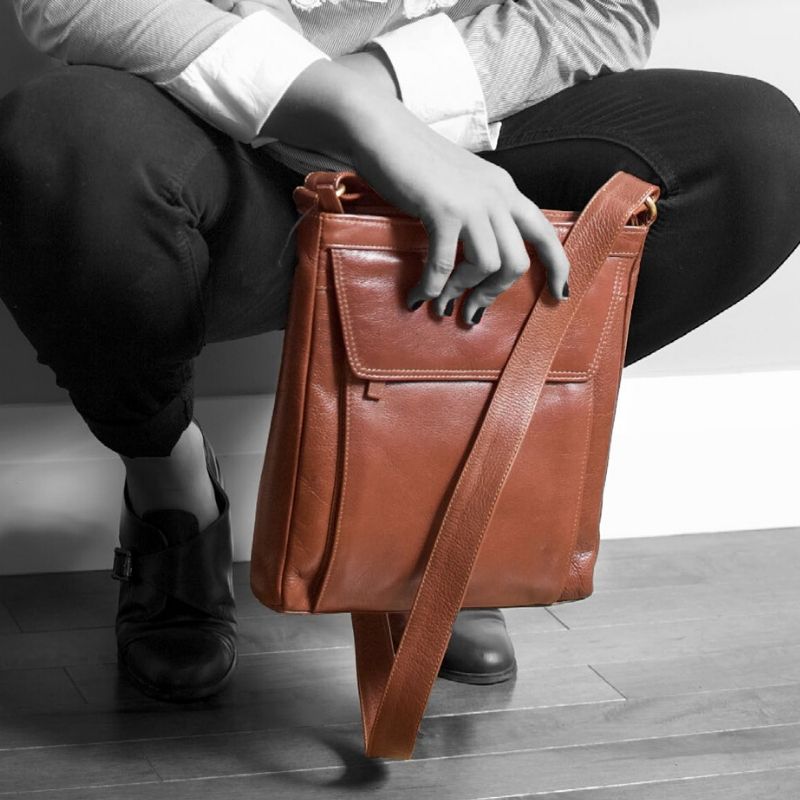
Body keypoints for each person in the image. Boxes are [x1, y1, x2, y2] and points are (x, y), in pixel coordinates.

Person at [1, 0, 799, 701]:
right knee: (56, 140)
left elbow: (601, 10)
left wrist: (392, 94)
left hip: (474, 140)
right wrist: (352, 116)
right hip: (212, 139)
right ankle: (171, 493)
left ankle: (422, 513)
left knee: (759, 150)